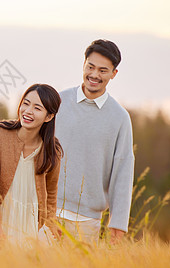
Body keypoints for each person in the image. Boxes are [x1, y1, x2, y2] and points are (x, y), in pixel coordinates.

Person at [55, 39, 134, 243]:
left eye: (103, 70)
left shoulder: (120, 118)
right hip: (47, 211)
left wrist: (118, 222)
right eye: (90, 67)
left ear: (113, 74)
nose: (94, 75)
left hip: (87, 222)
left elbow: (123, 171)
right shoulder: (58, 102)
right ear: (83, 65)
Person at [0, 84, 63, 244]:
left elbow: (51, 194)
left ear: (49, 117)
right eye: (25, 103)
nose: (28, 111)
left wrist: (51, 224)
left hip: (34, 224)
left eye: (37, 108)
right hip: (2, 218)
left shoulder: (52, 150)